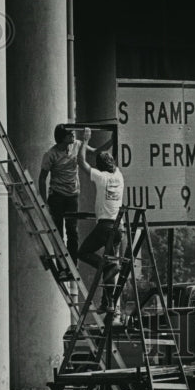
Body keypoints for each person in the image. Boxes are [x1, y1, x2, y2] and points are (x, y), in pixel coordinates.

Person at [78, 136, 125, 314]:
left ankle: (106, 266)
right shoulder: (118, 175)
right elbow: (111, 158)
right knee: (111, 264)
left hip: (105, 227)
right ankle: (109, 303)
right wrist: (114, 140)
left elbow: (81, 162)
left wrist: (85, 140)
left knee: (83, 252)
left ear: (100, 166)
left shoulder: (101, 177)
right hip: (118, 229)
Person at [38, 123, 93, 268]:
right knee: (58, 233)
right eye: (70, 134)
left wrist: (111, 140)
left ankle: (72, 265)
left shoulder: (77, 145)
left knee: (72, 231)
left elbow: (94, 152)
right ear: (63, 138)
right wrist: (44, 203)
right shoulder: (50, 155)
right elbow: (42, 178)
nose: (73, 135)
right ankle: (62, 266)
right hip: (57, 196)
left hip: (72, 196)